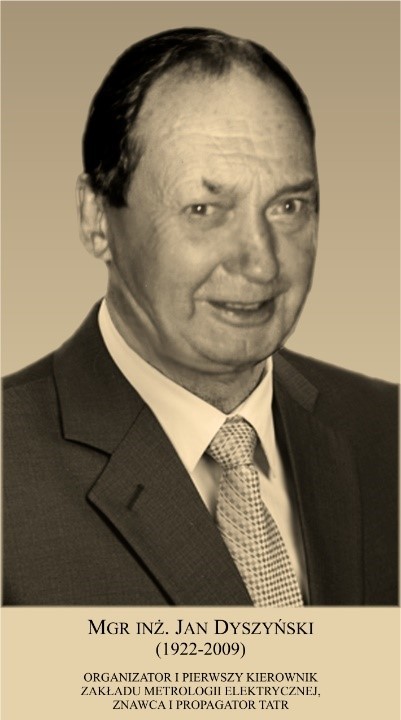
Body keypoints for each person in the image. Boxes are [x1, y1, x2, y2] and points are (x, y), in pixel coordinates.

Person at [3, 27, 398, 606]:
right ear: (97, 219)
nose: (261, 263)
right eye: (204, 209)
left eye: (288, 206)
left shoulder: (386, 429)